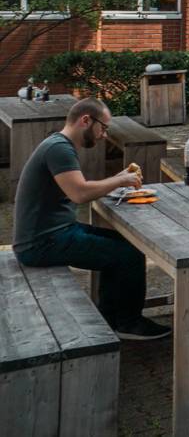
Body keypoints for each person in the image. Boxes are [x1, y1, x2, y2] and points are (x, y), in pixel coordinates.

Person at [12, 99, 170, 340]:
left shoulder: (58, 144)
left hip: (52, 232)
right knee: (128, 256)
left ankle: (110, 317)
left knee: (126, 246)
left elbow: (81, 188)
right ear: (86, 120)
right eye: (103, 128)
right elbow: (80, 193)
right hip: (40, 243)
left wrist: (117, 176)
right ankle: (128, 323)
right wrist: (120, 181)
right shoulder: (59, 149)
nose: (104, 135)